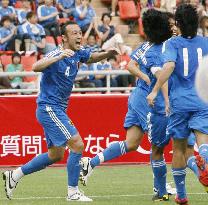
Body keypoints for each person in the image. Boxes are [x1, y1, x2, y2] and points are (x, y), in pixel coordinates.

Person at [2, 21, 119, 202]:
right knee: (78, 144)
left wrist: (107, 53)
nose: (79, 36)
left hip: (56, 109)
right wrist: (57, 57)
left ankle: (14, 175)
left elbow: (91, 57)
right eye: (74, 33)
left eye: (80, 33)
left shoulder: (78, 53)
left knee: (55, 155)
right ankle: (72, 192)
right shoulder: (57, 53)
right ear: (64, 38)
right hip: (49, 108)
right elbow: (35, 67)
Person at [79, 10, 172, 201]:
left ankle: (90, 163)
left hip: (137, 96)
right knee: (157, 145)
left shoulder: (146, 46)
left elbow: (130, 65)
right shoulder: (157, 51)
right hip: (147, 99)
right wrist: (148, 79)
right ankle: (160, 187)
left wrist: (143, 77)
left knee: (131, 143)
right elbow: (157, 76)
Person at [147, 4, 208, 205]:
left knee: (180, 149)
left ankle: (181, 195)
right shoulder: (206, 43)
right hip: (202, 101)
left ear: (179, 24)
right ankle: (205, 162)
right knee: (203, 143)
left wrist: (155, 90)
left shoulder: (172, 44)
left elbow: (170, 66)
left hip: (179, 103)